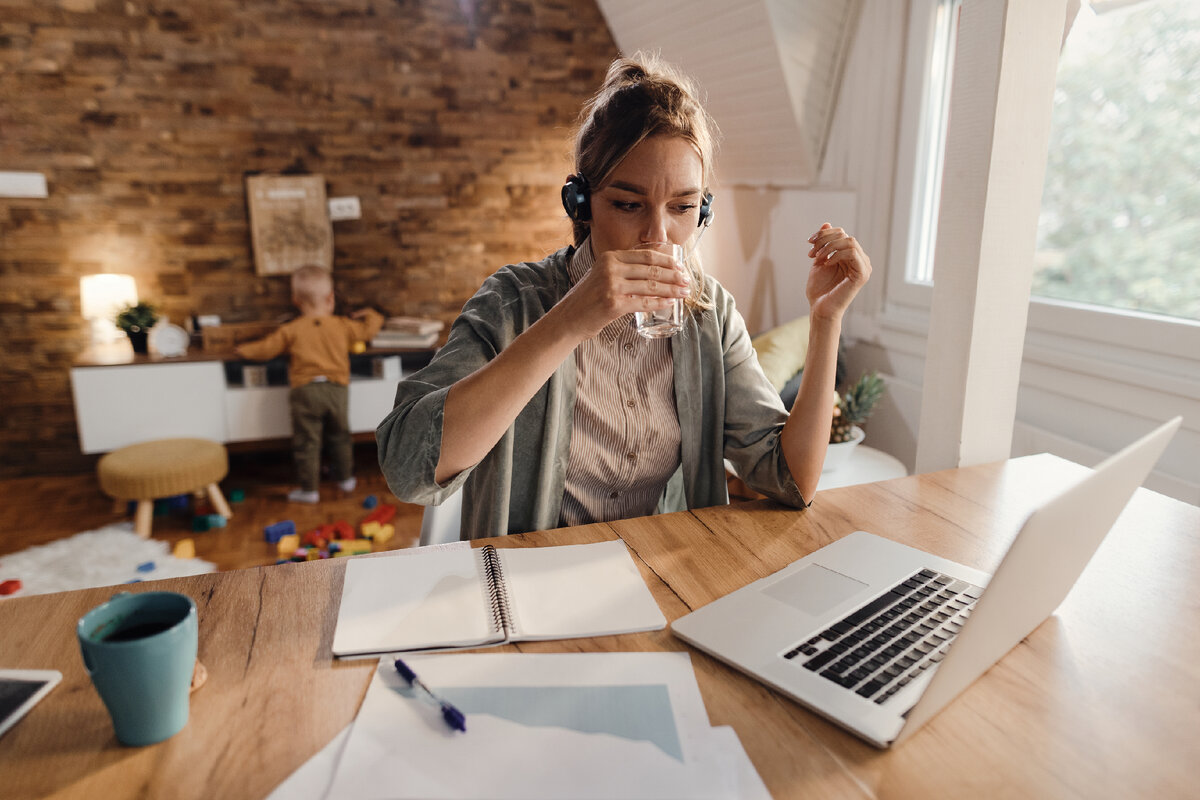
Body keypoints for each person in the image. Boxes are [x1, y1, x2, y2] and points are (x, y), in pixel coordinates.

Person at [376, 53, 871, 539]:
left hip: (666, 575)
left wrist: (825, 320)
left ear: (703, 210)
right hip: (535, 587)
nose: (658, 235)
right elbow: (406, 467)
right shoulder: (513, 302)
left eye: (682, 207)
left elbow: (791, 480)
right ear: (581, 202)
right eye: (629, 204)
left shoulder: (709, 315)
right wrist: (567, 321)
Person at [237, 265, 384, 503]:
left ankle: (309, 490)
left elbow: (265, 349)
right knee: (340, 436)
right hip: (336, 390)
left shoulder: (291, 329)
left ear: (295, 300)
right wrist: (371, 313)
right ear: (330, 298)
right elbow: (369, 330)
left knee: (307, 442)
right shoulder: (342, 325)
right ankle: (346, 479)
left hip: (304, 391)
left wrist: (241, 350)